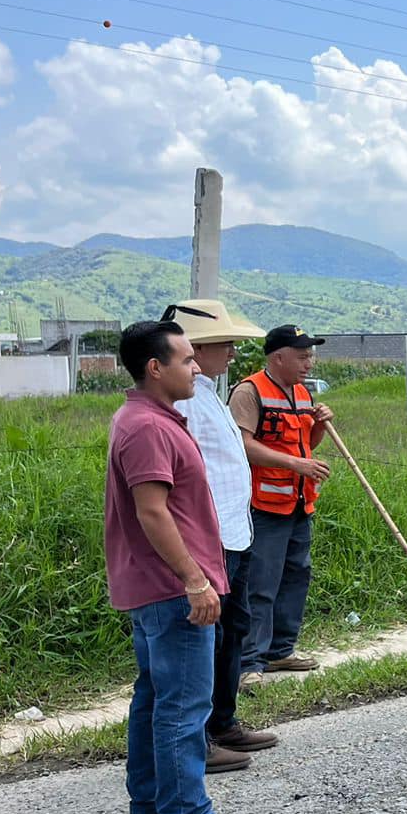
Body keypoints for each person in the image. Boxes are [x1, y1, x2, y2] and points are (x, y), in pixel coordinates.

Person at [105, 320, 257, 814]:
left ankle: (149, 803)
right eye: (187, 360)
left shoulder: (149, 418)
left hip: (154, 586)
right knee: (183, 704)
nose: (196, 368)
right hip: (172, 588)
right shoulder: (148, 426)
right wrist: (195, 580)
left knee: (154, 696)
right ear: (155, 367)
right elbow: (152, 511)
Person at [166, 299, 280, 769]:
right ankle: (201, 738)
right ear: (195, 346)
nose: (233, 351)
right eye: (224, 343)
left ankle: (223, 721)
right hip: (209, 539)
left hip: (236, 531)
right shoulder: (184, 399)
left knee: (233, 631)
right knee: (204, 641)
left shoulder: (210, 391)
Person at [229, 325, 334, 690]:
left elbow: (307, 444)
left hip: (299, 502)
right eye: (302, 356)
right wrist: (296, 466)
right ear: (278, 357)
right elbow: (242, 445)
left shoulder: (303, 393)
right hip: (265, 504)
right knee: (261, 583)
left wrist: (319, 426)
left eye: (311, 356)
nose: (309, 363)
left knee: (295, 577)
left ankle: (280, 650)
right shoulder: (249, 391)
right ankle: (249, 661)